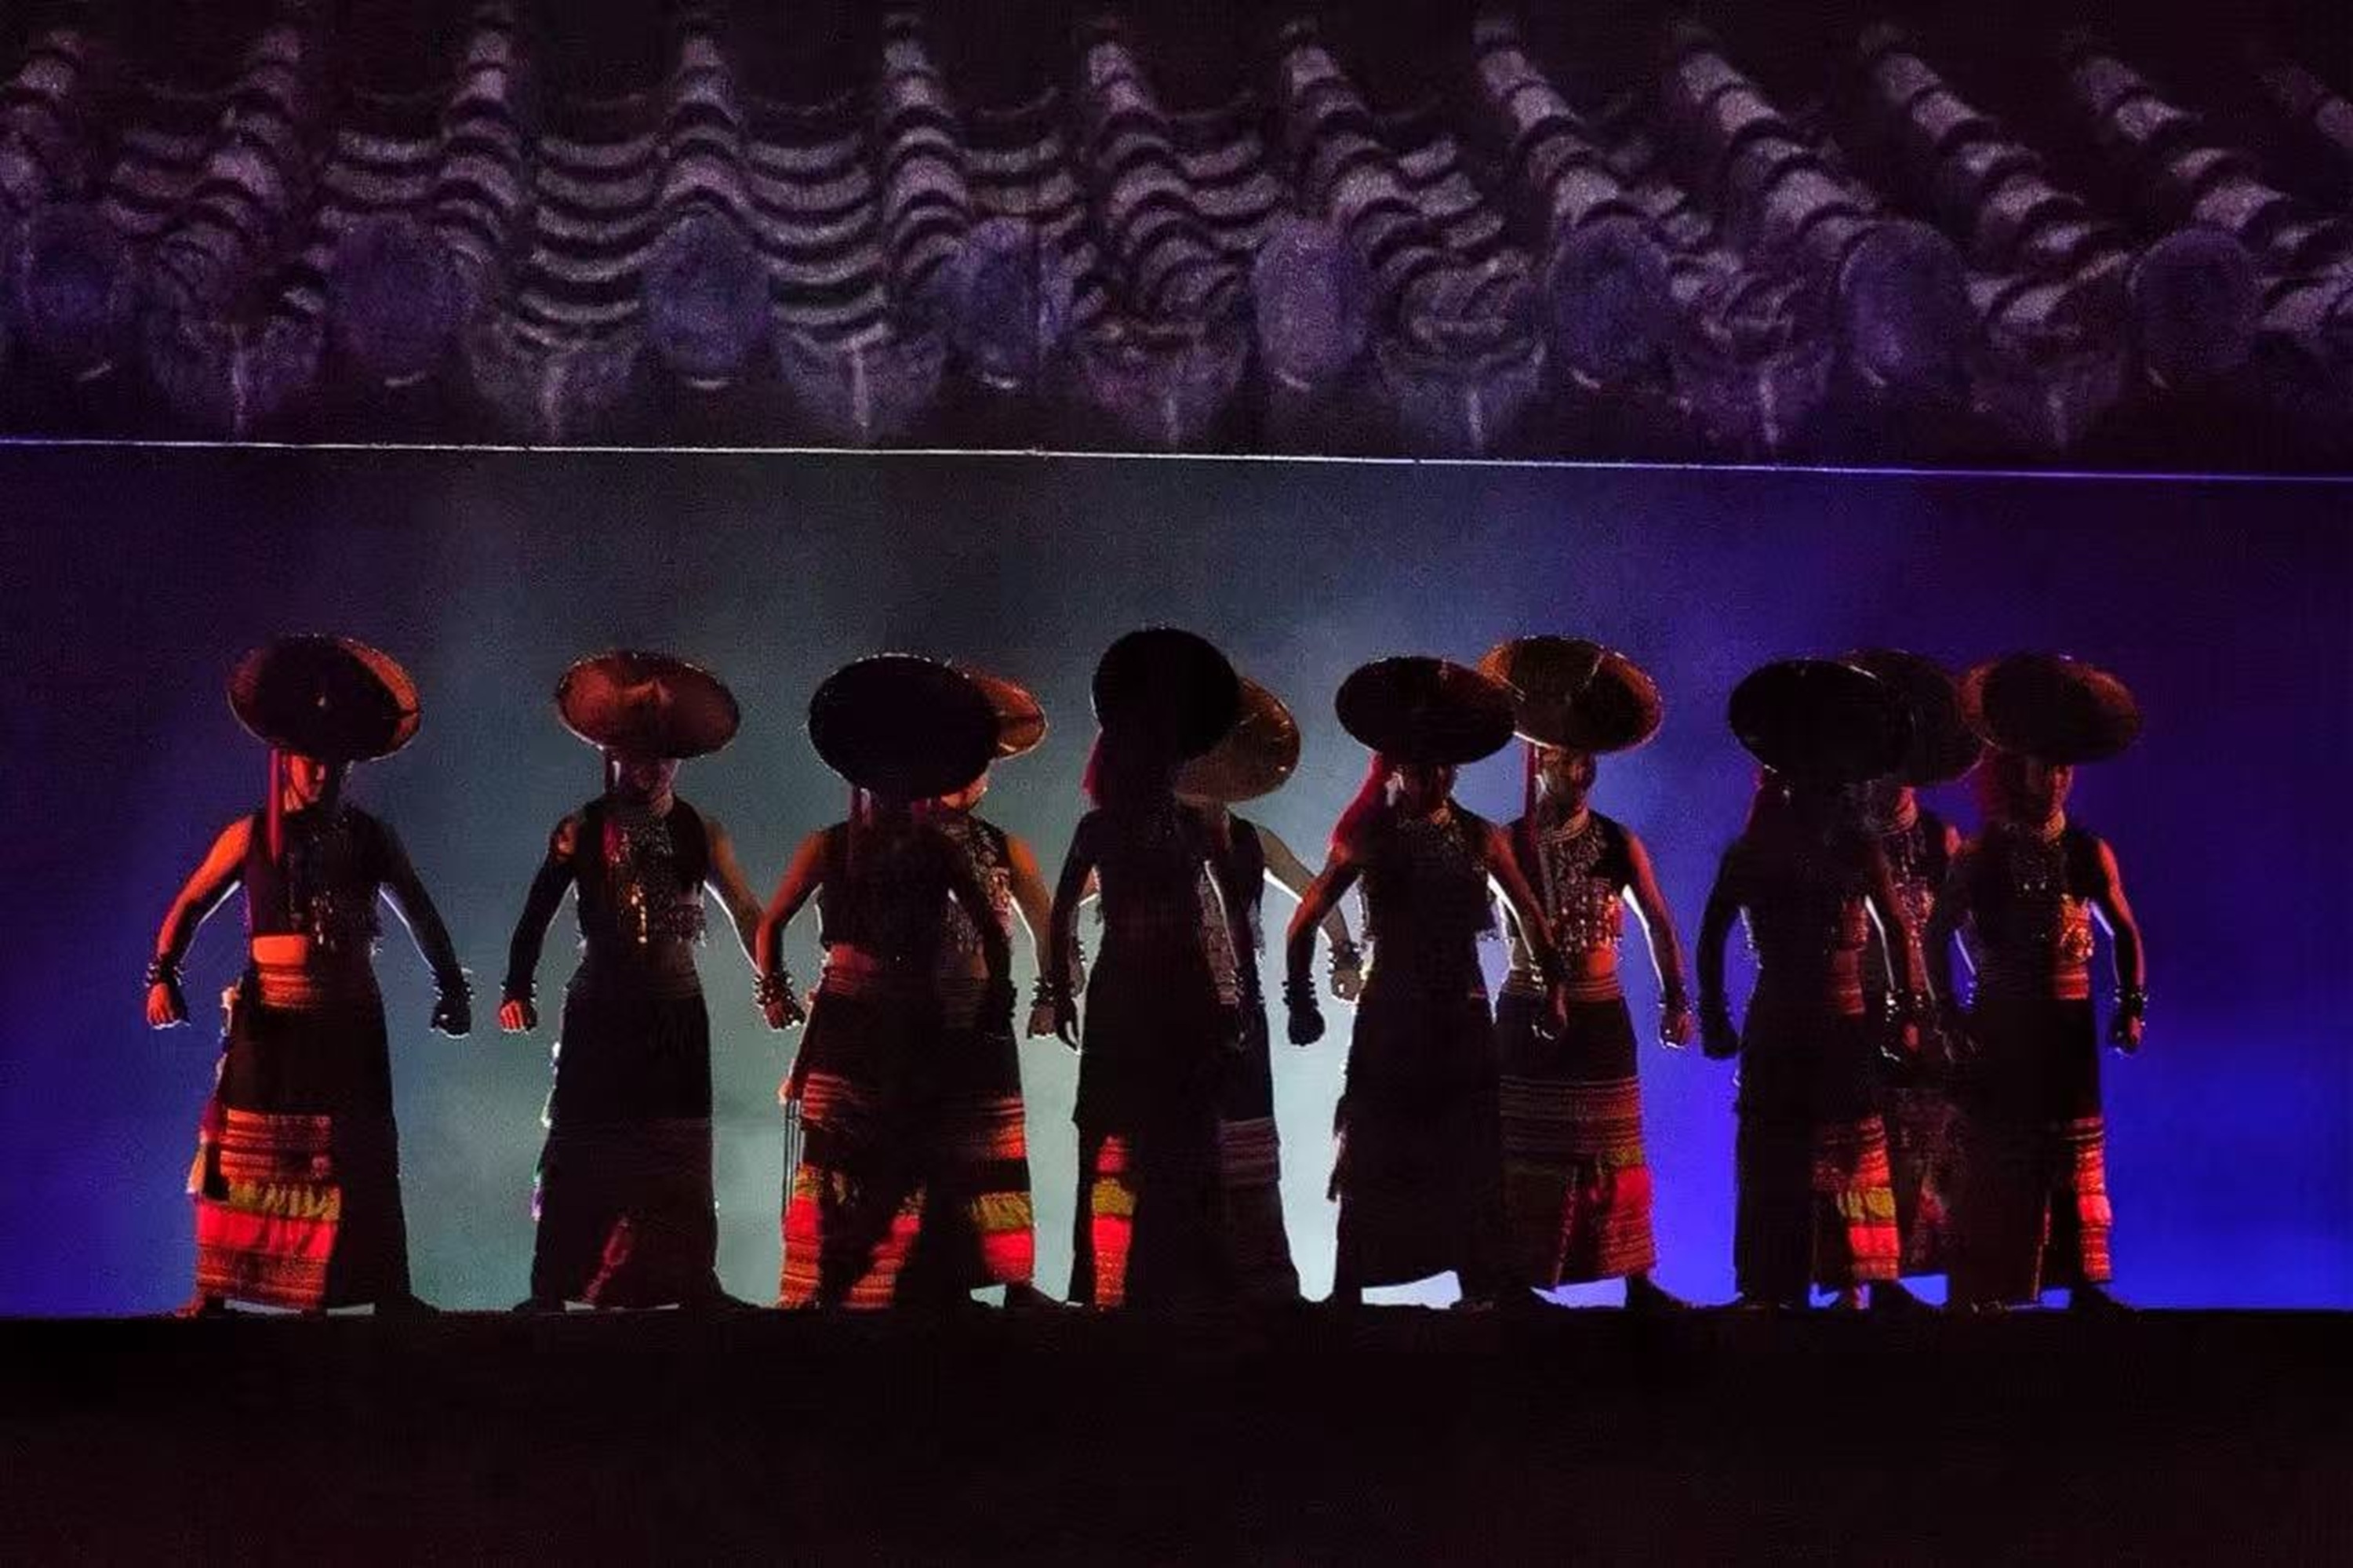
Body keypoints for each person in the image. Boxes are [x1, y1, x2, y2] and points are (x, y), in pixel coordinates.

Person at [145, 636, 468, 1316]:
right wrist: (163, 974)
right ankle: (213, 1289)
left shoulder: (372, 838)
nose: (320, 773)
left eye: (333, 761)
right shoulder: (249, 835)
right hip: (272, 1017)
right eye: (308, 759)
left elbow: (420, 912)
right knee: (244, 1152)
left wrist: (451, 987)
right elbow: (190, 902)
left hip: (349, 1017)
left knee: (359, 1157)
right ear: (284, 757)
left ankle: (383, 1291)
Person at [1284, 657, 1568, 1310]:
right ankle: (1348, 1289)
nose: (1432, 779)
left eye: (1442, 767)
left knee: (1472, 1151)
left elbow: (1532, 917)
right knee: (1375, 1151)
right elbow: (1304, 922)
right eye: (1419, 768)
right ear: (1398, 770)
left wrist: (1553, 989)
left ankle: (1488, 1284)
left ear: (1454, 770)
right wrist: (1301, 1001)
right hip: (1391, 1019)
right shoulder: (1370, 837)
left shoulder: (1479, 836)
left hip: (1461, 1019)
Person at [500, 652, 766, 1312]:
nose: (652, 770)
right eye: (640, 757)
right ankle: (551, 1287)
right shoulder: (582, 828)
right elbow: (536, 911)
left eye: (664, 758)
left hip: (676, 1010)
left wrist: (776, 976)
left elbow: (745, 910)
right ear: (615, 756)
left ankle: (694, 1280)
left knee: (682, 1150)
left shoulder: (701, 831)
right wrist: (517, 986)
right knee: (580, 1145)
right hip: (602, 1009)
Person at [757, 655, 1016, 1308]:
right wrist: (774, 987)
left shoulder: (936, 849)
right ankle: (831, 1281)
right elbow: (772, 922)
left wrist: (996, 998)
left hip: (912, 1017)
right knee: (837, 1151)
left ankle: (879, 1279)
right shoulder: (830, 844)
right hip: (848, 1013)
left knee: (908, 1150)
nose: (894, 791)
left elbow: (991, 929)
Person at [1696, 659, 1927, 1309]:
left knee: (1848, 1149)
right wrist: (1712, 1012)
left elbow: (1897, 929)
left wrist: (1907, 1011)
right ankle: (1772, 1288)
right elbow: (1712, 934)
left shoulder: (1855, 848)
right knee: (1778, 1152)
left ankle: (1859, 1280)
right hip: (1781, 1019)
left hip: (1839, 1020)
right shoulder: (1756, 850)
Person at [1478, 637, 1692, 1309]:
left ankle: (1637, 1281)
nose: (1579, 768)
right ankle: (1513, 1282)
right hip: (1526, 1013)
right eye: (1565, 756)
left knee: (1614, 1148)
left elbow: (1659, 924)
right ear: (1539, 761)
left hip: (1601, 1013)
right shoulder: (1503, 842)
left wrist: (1676, 998)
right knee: (1523, 1150)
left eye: (1584, 757)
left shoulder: (1619, 842)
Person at [1045, 628, 1254, 1308]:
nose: (1160, 768)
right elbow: (1060, 910)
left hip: (1180, 991)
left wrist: (1242, 995)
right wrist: (1059, 990)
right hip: (1126, 991)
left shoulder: (1193, 830)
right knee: (1113, 1128)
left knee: (1184, 1126)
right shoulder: (1100, 828)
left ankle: (1189, 1277)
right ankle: (1107, 1281)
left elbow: (1229, 908)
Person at [1932, 653, 2147, 1314]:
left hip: (2069, 1026)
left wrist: (2130, 1005)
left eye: (2062, 768)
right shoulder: (1982, 854)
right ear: (2014, 768)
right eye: (2041, 766)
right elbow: (1935, 933)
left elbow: (2125, 931)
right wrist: (1948, 1015)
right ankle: (1990, 1292)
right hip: (2004, 1025)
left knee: (2071, 1150)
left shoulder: (2087, 851)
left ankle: (2080, 1283)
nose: (2053, 781)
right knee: (2003, 1153)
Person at [1173, 675, 1363, 1302]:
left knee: (1247, 1138)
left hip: (1242, 1012)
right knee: (1179, 1139)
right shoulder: (1153, 833)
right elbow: (1097, 887)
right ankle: (1182, 1278)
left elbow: (1314, 893)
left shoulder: (1252, 841)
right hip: (1171, 1009)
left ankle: (1260, 1278)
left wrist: (1342, 952)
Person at [911, 668, 1071, 1306]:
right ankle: (928, 1279)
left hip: (983, 1015)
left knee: (994, 1150)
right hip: (916, 1018)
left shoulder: (1004, 848)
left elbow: (1048, 923)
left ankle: (1012, 1278)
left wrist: (1051, 993)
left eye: (982, 765)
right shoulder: (895, 841)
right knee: (926, 1148)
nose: (975, 777)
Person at [1842, 649, 1981, 1308]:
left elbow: (1969, 931)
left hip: (1926, 1006)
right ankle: (1861, 1280)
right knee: (1856, 1147)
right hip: (1854, 1008)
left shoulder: (1938, 838)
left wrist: (1979, 1005)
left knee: (1933, 1147)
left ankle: (1958, 1282)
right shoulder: (1837, 835)